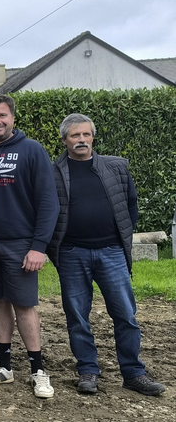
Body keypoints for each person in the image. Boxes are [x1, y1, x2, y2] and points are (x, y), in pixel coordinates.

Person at [47, 113, 166, 396]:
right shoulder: (51, 173)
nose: (81, 140)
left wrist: (118, 236)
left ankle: (134, 373)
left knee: (126, 315)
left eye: (86, 135)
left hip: (111, 251)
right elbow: (45, 212)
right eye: (75, 136)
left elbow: (131, 207)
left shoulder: (116, 167)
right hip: (72, 253)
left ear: (93, 137)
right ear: (64, 140)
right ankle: (88, 371)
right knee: (77, 317)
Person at [0, 94, 58, 399]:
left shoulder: (31, 150)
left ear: (12, 118)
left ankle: (38, 370)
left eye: (2, 116)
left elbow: (48, 201)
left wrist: (39, 246)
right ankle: (3, 366)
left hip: (20, 244)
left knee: (25, 305)